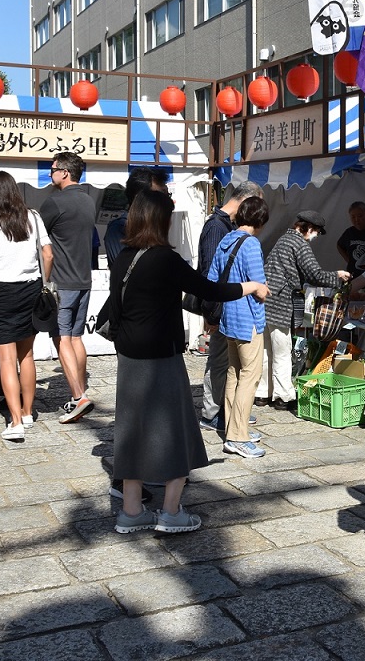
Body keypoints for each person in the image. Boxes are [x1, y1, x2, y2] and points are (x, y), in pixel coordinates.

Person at [109, 189, 269, 534]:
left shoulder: (124, 256)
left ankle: (132, 511)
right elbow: (211, 290)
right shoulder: (166, 259)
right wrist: (250, 285)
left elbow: (118, 309)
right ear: (162, 220)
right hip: (162, 358)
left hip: (129, 358)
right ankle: (171, 511)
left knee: (132, 433)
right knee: (179, 431)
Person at [0, 171, 54, 442]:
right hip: (30, 288)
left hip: (2, 290)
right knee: (27, 355)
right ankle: (28, 412)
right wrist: (45, 280)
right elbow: (48, 253)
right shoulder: (32, 216)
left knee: (6, 359)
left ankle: (16, 421)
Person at [259, 210, 350, 409]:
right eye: (316, 231)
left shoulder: (284, 239)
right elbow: (314, 274)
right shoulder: (300, 244)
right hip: (281, 302)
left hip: (265, 301)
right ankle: (283, 397)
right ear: (307, 228)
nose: (316, 235)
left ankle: (262, 393)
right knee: (282, 350)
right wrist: (337, 275)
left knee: (267, 349)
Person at [194, 181, 263, 429]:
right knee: (222, 362)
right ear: (245, 202)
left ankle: (230, 411)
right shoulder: (216, 227)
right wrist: (211, 310)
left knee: (230, 366)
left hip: (227, 305)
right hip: (224, 306)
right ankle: (212, 412)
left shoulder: (227, 227)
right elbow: (211, 273)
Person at [209, 196, 270, 458]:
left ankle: (234, 426)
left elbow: (212, 279)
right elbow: (260, 289)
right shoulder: (252, 245)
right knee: (249, 377)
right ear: (260, 220)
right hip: (249, 321)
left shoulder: (226, 239)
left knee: (234, 374)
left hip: (227, 320)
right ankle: (237, 436)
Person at [40, 151, 97, 423]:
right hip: (84, 278)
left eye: (52, 169)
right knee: (75, 338)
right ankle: (81, 392)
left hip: (62, 281)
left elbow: (39, 240)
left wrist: (44, 279)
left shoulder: (54, 202)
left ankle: (78, 396)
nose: (50, 174)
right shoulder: (88, 201)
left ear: (64, 172)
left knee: (62, 337)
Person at [104, 167, 169, 265]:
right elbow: (127, 271)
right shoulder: (119, 228)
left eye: (167, 195)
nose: (166, 201)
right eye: (159, 196)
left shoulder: (157, 228)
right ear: (138, 198)